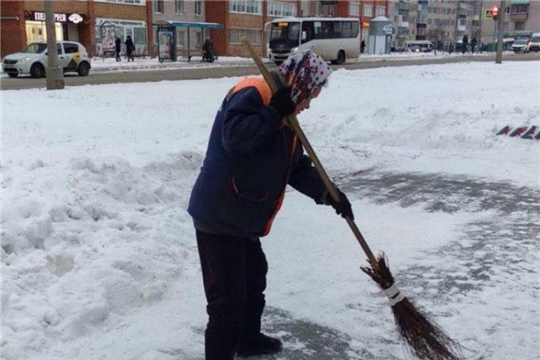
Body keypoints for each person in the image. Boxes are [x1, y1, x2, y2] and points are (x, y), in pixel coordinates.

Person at [188, 50, 354, 360]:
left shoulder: (284, 111)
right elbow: (234, 138)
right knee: (227, 300)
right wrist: (273, 113)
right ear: (299, 84)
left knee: (254, 277)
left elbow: (293, 167)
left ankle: (247, 339)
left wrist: (329, 194)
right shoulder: (255, 91)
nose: (307, 106)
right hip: (220, 214)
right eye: (309, 97)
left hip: (243, 215)